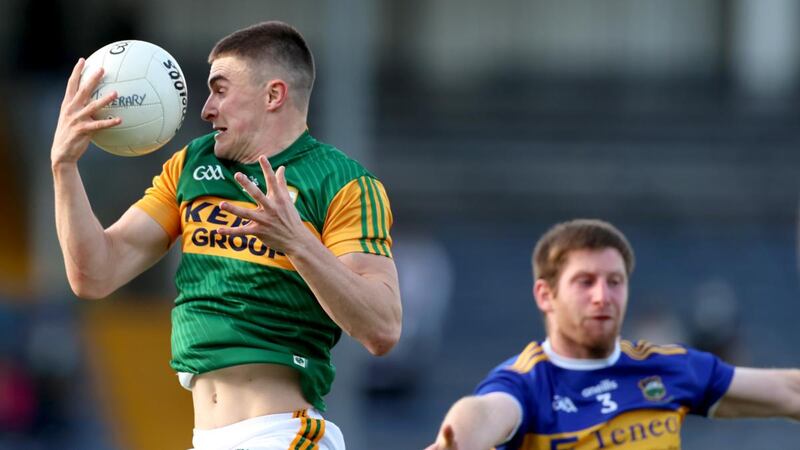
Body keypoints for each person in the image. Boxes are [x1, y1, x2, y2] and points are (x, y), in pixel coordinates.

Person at [51, 21, 401, 450]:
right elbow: (94, 274)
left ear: (273, 95)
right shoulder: (192, 166)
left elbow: (382, 327)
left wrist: (297, 243)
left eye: (220, 89)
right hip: (205, 438)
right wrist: (64, 168)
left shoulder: (343, 183)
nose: (206, 109)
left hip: (282, 434)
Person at [426, 219, 799, 450]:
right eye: (585, 282)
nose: (602, 296)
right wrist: (461, 436)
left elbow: (787, 391)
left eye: (614, 282)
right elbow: (483, 413)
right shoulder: (528, 384)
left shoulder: (667, 367)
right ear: (545, 295)